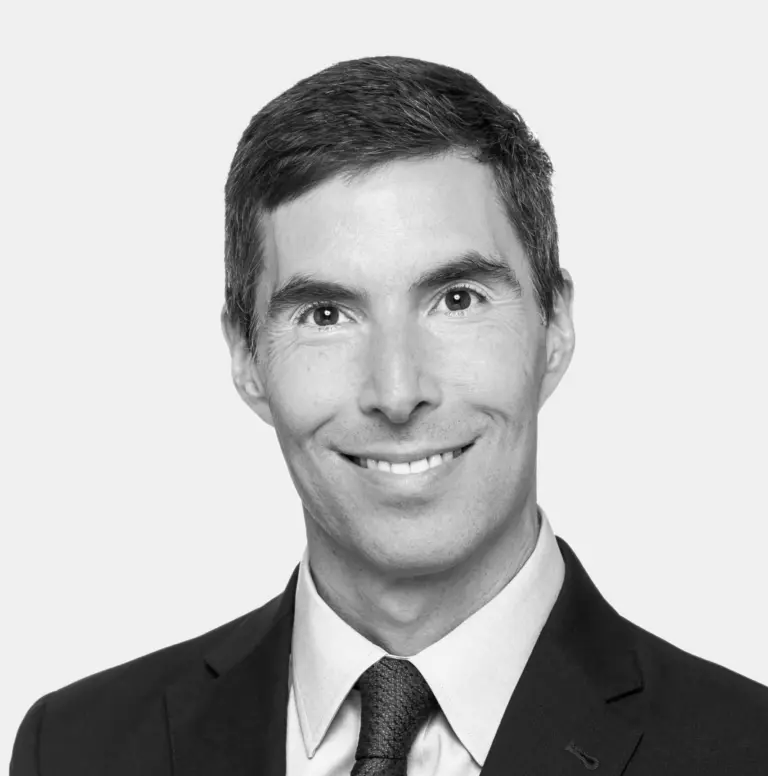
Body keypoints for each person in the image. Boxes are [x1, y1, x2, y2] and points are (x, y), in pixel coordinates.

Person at [10, 55, 768, 776]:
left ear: (555, 327)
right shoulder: (77, 749)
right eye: (326, 314)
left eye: (458, 300)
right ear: (247, 356)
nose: (398, 391)